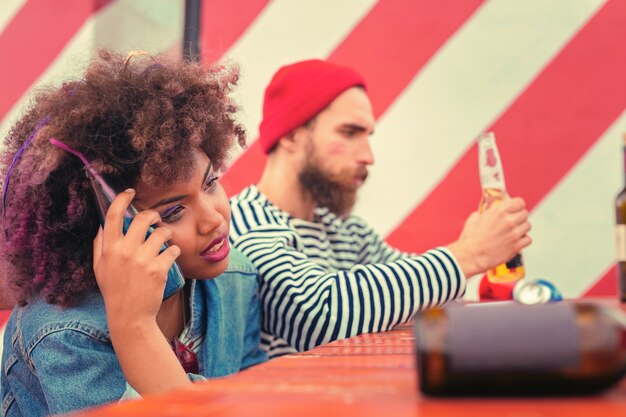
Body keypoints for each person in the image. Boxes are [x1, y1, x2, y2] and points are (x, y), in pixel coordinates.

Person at [0, 50, 266, 417]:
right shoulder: (64, 333)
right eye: (173, 211)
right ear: (114, 228)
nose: (212, 221)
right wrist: (135, 326)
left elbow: (261, 401)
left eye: (211, 183)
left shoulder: (237, 277)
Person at [229, 59, 532, 358]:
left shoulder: (348, 232)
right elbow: (319, 316)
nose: (368, 156)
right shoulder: (244, 222)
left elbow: (422, 298)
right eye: (349, 133)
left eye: (367, 136)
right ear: (292, 135)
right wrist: (469, 254)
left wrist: (479, 262)